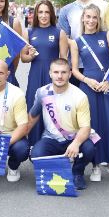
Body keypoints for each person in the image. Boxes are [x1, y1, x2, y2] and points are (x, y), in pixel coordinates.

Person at [69, 4, 109, 182]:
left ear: (99, 19)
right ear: (82, 18)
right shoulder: (77, 41)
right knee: (93, 126)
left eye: (94, 17)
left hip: (107, 85)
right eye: (87, 17)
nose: (90, 20)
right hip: (88, 86)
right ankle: (95, 165)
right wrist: (87, 81)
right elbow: (74, 70)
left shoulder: (107, 35)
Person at [28, 58, 95, 190]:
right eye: (56, 72)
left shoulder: (79, 96)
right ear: (50, 73)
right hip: (51, 138)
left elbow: (85, 128)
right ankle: (57, 170)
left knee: (89, 149)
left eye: (63, 72)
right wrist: (23, 136)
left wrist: (76, 144)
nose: (59, 76)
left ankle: (77, 172)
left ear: (70, 74)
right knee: (35, 155)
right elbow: (32, 116)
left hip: (73, 138)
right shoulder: (42, 92)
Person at [21, 0, 68, 145]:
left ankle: (54, 147)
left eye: (47, 12)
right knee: (34, 109)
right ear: (35, 14)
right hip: (35, 76)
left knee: (54, 111)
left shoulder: (59, 33)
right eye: (40, 12)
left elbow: (64, 60)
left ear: (52, 14)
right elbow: (23, 58)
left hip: (54, 78)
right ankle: (34, 146)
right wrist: (31, 55)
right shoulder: (29, 32)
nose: (43, 15)